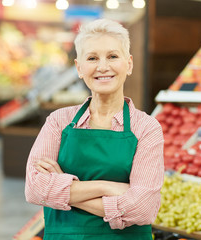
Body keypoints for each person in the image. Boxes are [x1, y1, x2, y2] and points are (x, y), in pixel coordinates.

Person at [25, 18, 164, 240]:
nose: (102, 67)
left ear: (128, 64)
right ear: (79, 68)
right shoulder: (59, 121)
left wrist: (64, 188)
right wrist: (109, 187)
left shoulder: (146, 128)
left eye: (112, 56)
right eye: (92, 58)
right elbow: (35, 189)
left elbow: (143, 208)